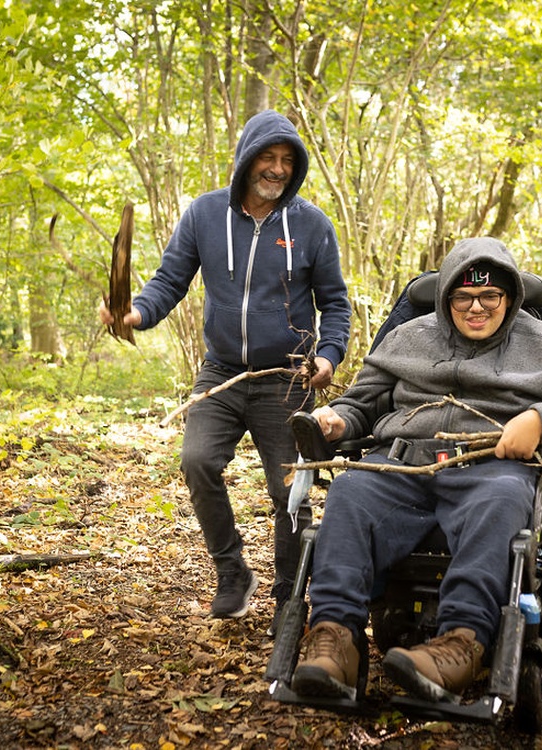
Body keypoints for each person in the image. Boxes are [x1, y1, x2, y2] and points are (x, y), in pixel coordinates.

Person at [290, 236, 542, 703]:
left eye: (490, 296)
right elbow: (362, 404)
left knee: (503, 498)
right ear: (446, 297)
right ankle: (335, 641)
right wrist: (337, 418)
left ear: (511, 295)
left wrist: (541, 419)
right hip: (403, 466)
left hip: (492, 467)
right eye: (463, 296)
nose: (476, 307)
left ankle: (461, 644)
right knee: (349, 491)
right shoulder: (408, 338)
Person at [98, 110, 351, 628]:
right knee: (197, 460)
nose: (278, 169)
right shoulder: (204, 215)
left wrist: (327, 356)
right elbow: (169, 281)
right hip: (221, 372)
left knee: (291, 492)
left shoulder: (312, 226)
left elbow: (336, 305)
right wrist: (136, 314)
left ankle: (289, 596)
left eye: (287, 161)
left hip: (287, 378)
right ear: (246, 159)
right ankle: (232, 571)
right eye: (268, 157)